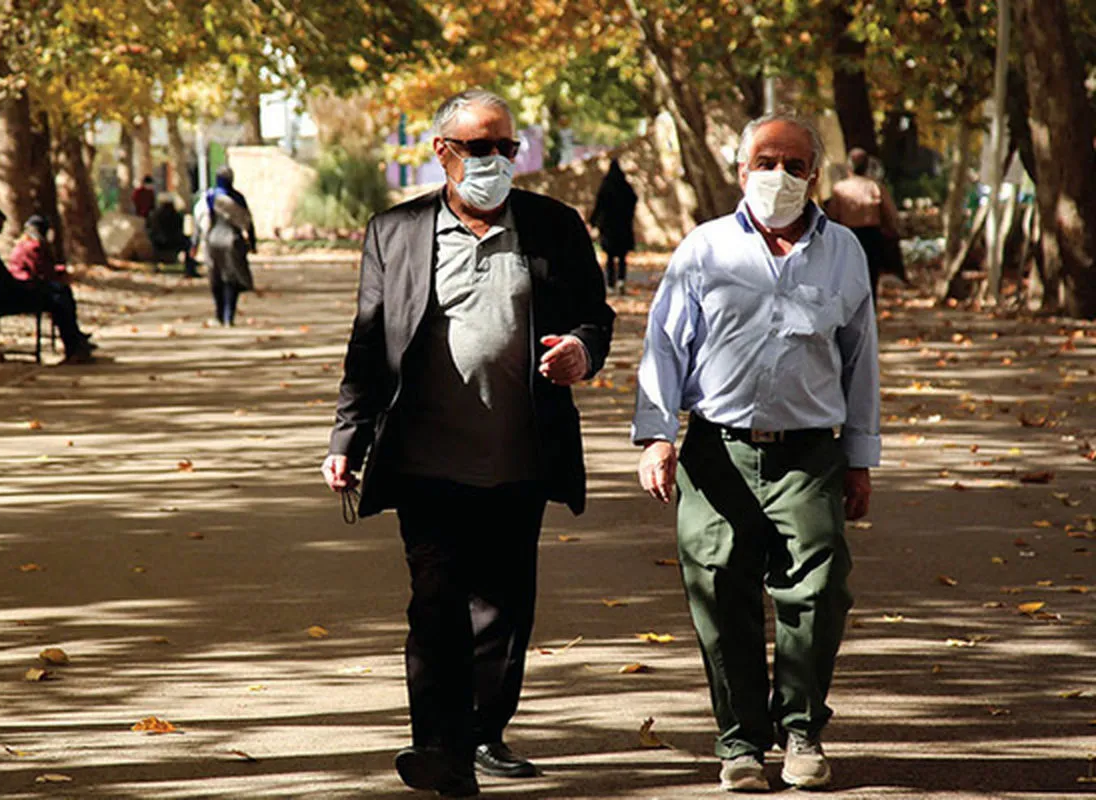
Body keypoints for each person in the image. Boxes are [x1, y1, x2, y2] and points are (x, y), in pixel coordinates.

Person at [322, 88, 614, 798]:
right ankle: (440, 748)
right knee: (435, 603)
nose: (496, 160)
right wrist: (348, 436)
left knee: (503, 608)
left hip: (520, 453)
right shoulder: (395, 232)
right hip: (425, 458)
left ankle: (482, 732)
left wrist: (581, 351)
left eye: (507, 147)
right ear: (442, 151)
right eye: (479, 147)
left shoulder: (553, 226)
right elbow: (369, 344)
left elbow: (594, 317)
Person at [632, 112, 880, 793]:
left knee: (819, 593)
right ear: (742, 171)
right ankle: (740, 740)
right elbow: (665, 346)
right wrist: (657, 436)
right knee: (719, 591)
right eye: (765, 162)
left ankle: (800, 728)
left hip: (811, 455)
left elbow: (860, 359)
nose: (779, 176)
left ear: (814, 176)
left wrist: (859, 459)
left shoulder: (844, 252)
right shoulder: (705, 248)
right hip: (718, 450)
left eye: (794, 165)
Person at [0, 208, 94, 364]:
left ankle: (76, 342)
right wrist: (27, 286)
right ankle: (74, 346)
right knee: (58, 297)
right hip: (0, 298)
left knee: (60, 291)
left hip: (4, 292)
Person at [825, 147, 901, 301]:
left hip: (848, 235)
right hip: (871, 237)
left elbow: (832, 215)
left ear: (849, 166)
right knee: (871, 276)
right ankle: (870, 308)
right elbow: (890, 213)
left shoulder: (840, 188)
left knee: (848, 276)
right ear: (867, 166)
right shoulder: (875, 187)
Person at [191, 166, 255, 325]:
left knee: (216, 278)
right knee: (231, 279)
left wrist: (194, 244)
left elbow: (199, 222)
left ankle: (219, 314)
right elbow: (248, 222)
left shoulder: (209, 197)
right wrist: (252, 243)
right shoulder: (238, 198)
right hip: (233, 241)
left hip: (212, 241)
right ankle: (228, 316)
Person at [588, 158, 638, 295]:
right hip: (623, 226)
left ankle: (610, 284)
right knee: (622, 257)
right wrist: (628, 215)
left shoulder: (606, 186)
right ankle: (621, 281)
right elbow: (633, 200)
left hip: (609, 228)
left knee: (610, 258)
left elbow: (599, 206)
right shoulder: (625, 186)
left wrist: (593, 222)